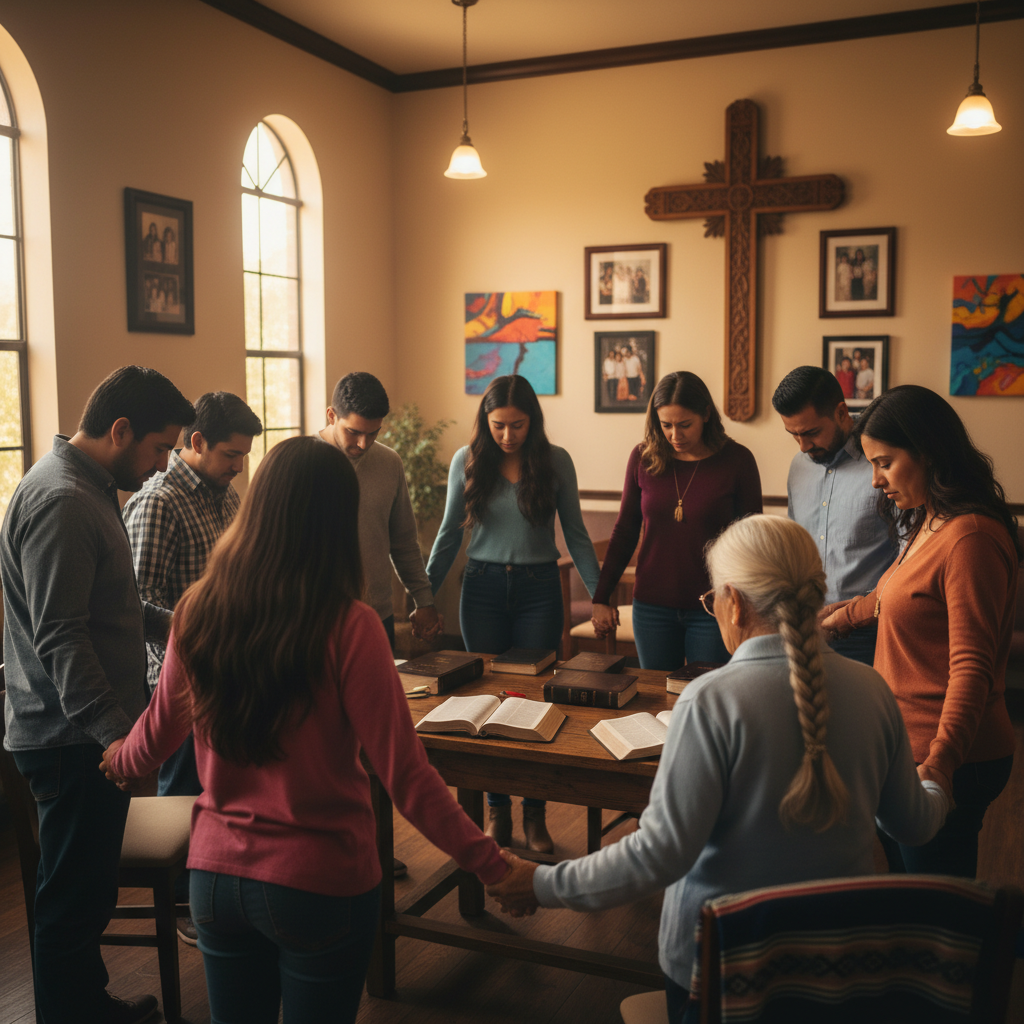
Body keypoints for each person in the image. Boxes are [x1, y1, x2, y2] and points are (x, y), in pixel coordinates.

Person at [102, 437, 506, 1024]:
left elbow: (158, 733)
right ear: (335, 521)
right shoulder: (351, 625)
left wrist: (118, 760)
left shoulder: (197, 609)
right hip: (318, 880)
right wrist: (494, 866)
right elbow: (407, 777)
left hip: (214, 879)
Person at [487, 515, 949, 1024]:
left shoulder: (710, 701)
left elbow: (658, 855)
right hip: (843, 969)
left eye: (711, 602)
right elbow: (915, 824)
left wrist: (541, 883)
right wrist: (938, 778)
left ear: (733, 601)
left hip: (723, 969)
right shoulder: (872, 689)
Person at [2, 365, 195, 1024]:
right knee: (71, 900)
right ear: (121, 430)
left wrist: (173, 627)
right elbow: (62, 636)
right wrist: (115, 735)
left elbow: (108, 600)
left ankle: (88, 1004)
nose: (163, 463)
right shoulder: (63, 501)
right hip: (68, 738)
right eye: (160, 447)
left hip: (82, 733)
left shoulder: (87, 487)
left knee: (87, 891)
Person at [821, 385, 1019, 877]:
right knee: (913, 896)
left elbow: (970, 668)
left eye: (884, 463)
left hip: (949, 755)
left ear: (928, 452)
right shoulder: (930, 519)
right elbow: (895, 597)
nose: (874, 481)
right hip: (905, 746)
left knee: (939, 912)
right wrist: (832, 621)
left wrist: (942, 764)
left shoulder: (969, 537)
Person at [426, 374, 601, 853]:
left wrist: (600, 593)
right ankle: (497, 812)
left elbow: (577, 534)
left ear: (533, 421)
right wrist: (422, 597)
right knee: (484, 698)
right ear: (486, 421)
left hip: (539, 590)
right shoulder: (467, 461)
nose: (507, 435)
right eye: (499, 425)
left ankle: (535, 816)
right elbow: (447, 536)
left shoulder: (555, 460)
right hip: (480, 589)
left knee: (531, 698)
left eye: (518, 425)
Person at [123, 391, 263, 944]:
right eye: (231, 455)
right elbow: (134, 602)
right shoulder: (158, 502)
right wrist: (197, 635)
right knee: (183, 795)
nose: (238, 466)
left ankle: (219, 887)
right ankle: (183, 904)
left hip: (229, 674)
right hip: (181, 684)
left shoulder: (223, 494)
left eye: (244, 457)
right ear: (196, 442)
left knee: (218, 797)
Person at [591, 371, 762, 670]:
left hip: (714, 605)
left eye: (685, 425)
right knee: (656, 698)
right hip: (652, 606)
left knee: (705, 698)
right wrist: (601, 597)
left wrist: (748, 605)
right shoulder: (643, 458)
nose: (675, 435)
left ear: (706, 414)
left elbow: (752, 541)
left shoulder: (737, 460)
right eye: (666, 425)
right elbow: (625, 530)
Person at [772, 366, 896, 665]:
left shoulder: (882, 465)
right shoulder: (799, 466)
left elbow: (909, 556)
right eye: (794, 435)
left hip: (869, 631)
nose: (803, 446)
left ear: (841, 412)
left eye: (811, 433)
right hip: (805, 627)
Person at [317, 372, 441, 650]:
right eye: (354, 432)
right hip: (316, 618)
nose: (363, 443)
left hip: (377, 616)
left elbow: (404, 543)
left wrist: (424, 601)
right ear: (331, 415)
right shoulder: (301, 461)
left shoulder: (390, 463)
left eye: (373, 433)